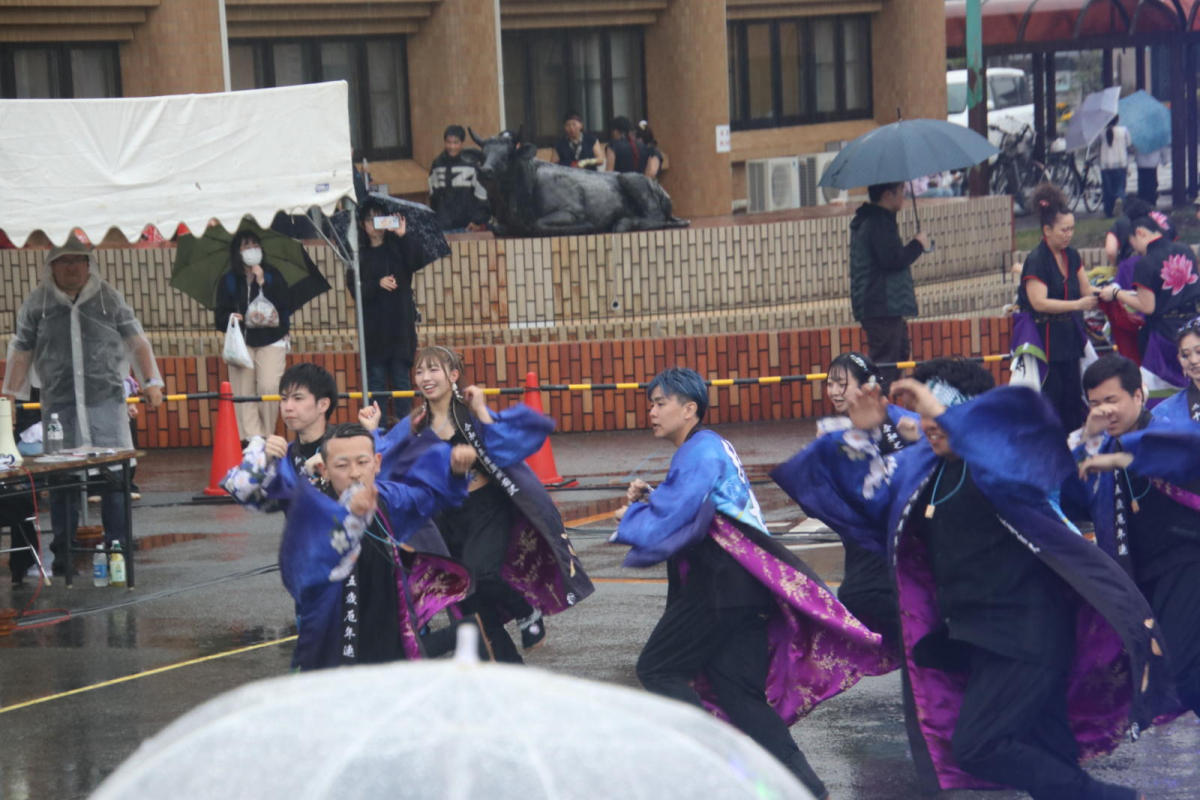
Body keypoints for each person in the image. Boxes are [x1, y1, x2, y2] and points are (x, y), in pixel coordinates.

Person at [786, 357, 1164, 799]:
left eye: (940, 414)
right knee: (1049, 755)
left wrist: (935, 408)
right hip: (980, 639)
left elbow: (1016, 444)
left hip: (1028, 635)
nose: (930, 424)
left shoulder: (1000, 462)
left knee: (979, 746)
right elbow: (862, 496)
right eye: (924, 416)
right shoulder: (923, 469)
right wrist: (869, 431)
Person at [613, 368, 892, 800]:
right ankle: (808, 791)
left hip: (719, 584)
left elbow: (680, 509)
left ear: (690, 409)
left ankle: (719, 764)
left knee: (659, 667)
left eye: (659, 402)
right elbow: (695, 504)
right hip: (746, 588)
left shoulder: (700, 450)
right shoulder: (710, 446)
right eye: (651, 403)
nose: (651, 411)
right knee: (740, 696)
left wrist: (631, 518)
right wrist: (654, 497)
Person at [366, 346, 592, 663]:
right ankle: (506, 668)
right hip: (446, 516)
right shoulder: (416, 424)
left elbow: (515, 443)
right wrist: (371, 430)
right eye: (419, 371)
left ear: (453, 375)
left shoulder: (470, 413)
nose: (425, 378)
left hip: (487, 507)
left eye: (434, 370)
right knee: (468, 599)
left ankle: (525, 609)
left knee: (482, 571)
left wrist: (484, 411)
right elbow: (383, 459)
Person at [2, 237, 164, 575]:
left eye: (79, 259)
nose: (72, 266)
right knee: (62, 482)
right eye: (64, 261)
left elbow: (136, 339)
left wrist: (152, 382)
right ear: (52, 266)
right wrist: (10, 396)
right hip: (59, 408)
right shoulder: (38, 303)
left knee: (114, 480)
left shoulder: (108, 298)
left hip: (106, 404)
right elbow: (21, 350)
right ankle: (63, 552)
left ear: (89, 264)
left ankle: (118, 547)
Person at [278, 422, 477, 671]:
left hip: (387, 624)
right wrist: (350, 517)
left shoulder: (385, 497)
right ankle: (460, 634)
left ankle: (462, 634)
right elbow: (302, 566)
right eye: (342, 465)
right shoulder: (314, 510)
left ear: (377, 463)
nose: (354, 473)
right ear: (324, 469)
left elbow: (427, 497)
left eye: (362, 462)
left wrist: (456, 472)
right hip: (337, 638)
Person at [1073, 355, 1200, 719]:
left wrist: (1122, 457)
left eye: (1112, 400)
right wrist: (1087, 438)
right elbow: (1066, 491)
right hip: (1140, 575)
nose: (1104, 411)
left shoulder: (1167, 431)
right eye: (1095, 404)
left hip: (1188, 560)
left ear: (1139, 395)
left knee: (1181, 669)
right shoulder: (1098, 448)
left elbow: (1181, 451)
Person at [772, 351, 919, 653]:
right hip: (859, 535)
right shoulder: (832, 428)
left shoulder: (901, 420)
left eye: (842, 383)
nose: (835, 391)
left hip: (892, 534)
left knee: (864, 596)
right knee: (863, 599)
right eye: (830, 384)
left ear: (869, 386)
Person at [1013, 183, 1096, 432]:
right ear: (1047, 230)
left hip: (1069, 336)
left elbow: (1086, 289)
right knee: (1051, 397)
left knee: (1073, 395)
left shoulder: (1071, 255)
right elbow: (1039, 302)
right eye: (1064, 230)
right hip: (1044, 340)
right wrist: (1077, 304)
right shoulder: (1037, 259)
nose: (1069, 234)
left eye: (1071, 229)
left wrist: (1111, 293)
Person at [1098, 214, 1200, 407]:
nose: (1135, 249)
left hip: (1165, 336)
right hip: (1194, 326)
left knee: (1160, 394)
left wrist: (1117, 293)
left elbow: (1147, 306)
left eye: (1133, 242)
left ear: (1140, 233)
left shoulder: (1146, 263)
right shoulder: (1185, 250)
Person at [345, 198, 428, 423]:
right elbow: (355, 289)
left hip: (400, 329)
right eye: (369, 219)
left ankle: (405, 431)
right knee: (376, 384)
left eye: (379, 218)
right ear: (362, 224)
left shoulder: (398, 248)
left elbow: (417, 260)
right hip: (374, 333)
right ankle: (378, 432)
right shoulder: (358, 255)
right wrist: (376, 284)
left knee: (402, 383)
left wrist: (403, 235)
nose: (374, 224)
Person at [221, 363, 340, 512]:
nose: (288, 407)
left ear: (323, 404)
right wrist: (262, 460)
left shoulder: (348, 444)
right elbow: (243, 495)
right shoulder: (284, 457)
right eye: (284, 399)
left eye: (298, 398)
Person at [849, 182, 930, 386]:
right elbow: (892, 259)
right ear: (888, 194)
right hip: (882, 304)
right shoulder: (878, 222)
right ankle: (876, 414)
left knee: (898, 354)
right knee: (885, 364)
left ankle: (884, 409)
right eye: (901, 190)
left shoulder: (874, 219)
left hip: (883, 305)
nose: (904, 195)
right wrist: (918, 244)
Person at [214, 229, 291, 442]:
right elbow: (219, 317)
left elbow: (285, 305)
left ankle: (267, 435)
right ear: (237, 252)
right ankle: (251, 439)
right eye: (246, 246)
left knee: (268, 385)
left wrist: (263, 282)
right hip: (241, 341)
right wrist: (231, 317)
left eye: (255, 245)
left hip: (272, 339)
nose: (252, 250)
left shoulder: (273, 274)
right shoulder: (229, 280)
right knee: (242, 391)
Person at [428, 125, 490, 233]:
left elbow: (482, 195)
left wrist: (477, 221)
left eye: (455, 142)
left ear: (462, 143)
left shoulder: (472, 164)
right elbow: (434, 197)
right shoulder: (437, 164)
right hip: (443, 227)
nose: (452, 146)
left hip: (468, 226)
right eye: (448, 142)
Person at [1151, 316, 1200, 423]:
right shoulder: (1163, 414)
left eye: (1199, 352)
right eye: (1185, 355)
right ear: (1178, 358)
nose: (1193, 360)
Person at [1099, 118, 1131, 218]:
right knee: (1120, 185)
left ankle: (1109, 211)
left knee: (1108, 189)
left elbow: (1096, 145)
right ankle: (1120, 198)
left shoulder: (1101, 133)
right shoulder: (1123, 131)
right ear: (1117, 120)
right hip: (1120, 163)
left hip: (1106, 164)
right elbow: (1129, 144)